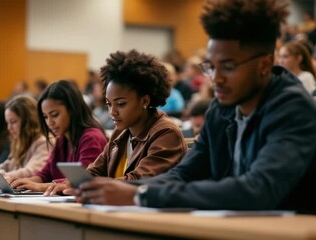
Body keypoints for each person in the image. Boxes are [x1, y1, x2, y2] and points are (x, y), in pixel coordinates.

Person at [73, 0, 316, 213]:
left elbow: (257, 189)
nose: (216, 79)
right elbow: (185, 173)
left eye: (228, 67)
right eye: (211, 67)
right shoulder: (223, 108)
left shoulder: (292, 109)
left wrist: (141, 196)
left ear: (264, 65)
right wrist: (117, 188)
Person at [45, 50, 188, 196]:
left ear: (144, 100)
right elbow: (94, 171)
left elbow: (139, 180)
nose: (112, 112)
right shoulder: (121, 132)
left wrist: (91, 185)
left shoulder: (166, 133)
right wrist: (70, 184)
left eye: (120, 104)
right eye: (108, 104)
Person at [10, 80, 107, 192]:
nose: (49, 122)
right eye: (45, 117)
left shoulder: (92, 137)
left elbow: (81, 181)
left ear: (72, 109)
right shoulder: (62, 139)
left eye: (55, 115)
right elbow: (44, 174)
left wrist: (39, 186)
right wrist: (23, 182)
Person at [0, 96, 52, 188]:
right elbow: (7, 165)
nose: (9, 128)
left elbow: (30, 171)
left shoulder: (44, 142)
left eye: (13, 122)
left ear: (28, 121)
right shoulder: (20, 142)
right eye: (7, 123)